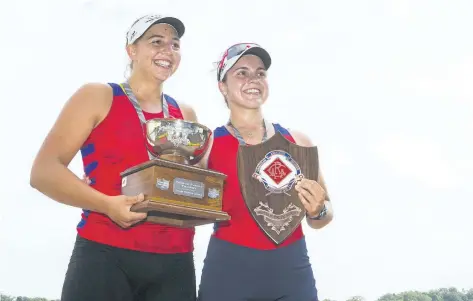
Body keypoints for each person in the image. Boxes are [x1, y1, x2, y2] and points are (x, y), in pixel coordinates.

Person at [30, 14, 200, 301]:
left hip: (175, 260)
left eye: (175, 45)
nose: (167, 51)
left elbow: (193, 186)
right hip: (105, 254)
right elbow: (43, 172)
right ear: (131, 50)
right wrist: (106, 204)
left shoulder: (186, 115)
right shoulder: (97, 96)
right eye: (156, 42)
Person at [196, 43, 335, 301]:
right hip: (229, 269)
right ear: (222, 86)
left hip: (291, 269)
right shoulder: (207, 145)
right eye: (242, 73)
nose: (253, 79)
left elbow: (323, 217)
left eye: (260, 73)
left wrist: (319, 210)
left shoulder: (298, 141)